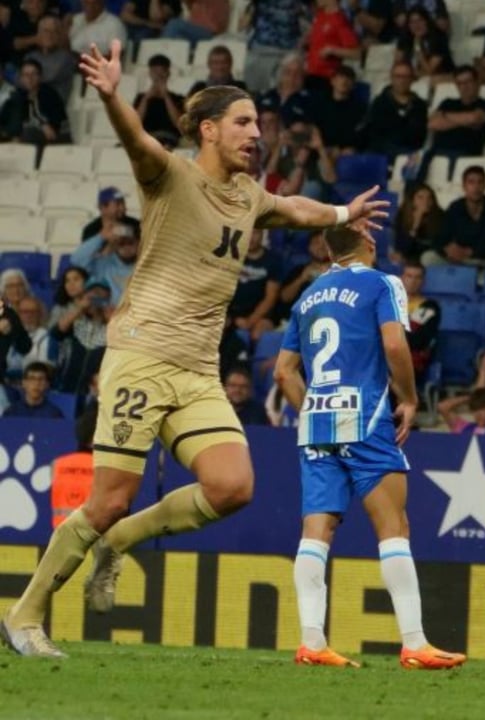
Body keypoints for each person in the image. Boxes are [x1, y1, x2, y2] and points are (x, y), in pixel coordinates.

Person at [0, 39, 389, 659]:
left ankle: (119, 540)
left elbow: (292, 207)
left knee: (233, 485)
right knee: (106, 498)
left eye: (258, 124)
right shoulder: (172, 175)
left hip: (198, 370)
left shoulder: (247, 195)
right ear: (208, 130)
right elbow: (139, 143)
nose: (255, 134)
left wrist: (343, 210)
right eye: (242, 123)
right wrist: (109, 94)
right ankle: (25, 614)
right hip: (141, 357)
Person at [273, 223, 465, 670]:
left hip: (318, 421)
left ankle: (311, 642)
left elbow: (284, 372)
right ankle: (414, 643)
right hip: (364, 416)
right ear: (370, 244)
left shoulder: (309, 295)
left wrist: (311, 411)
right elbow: (395, 342)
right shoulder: (383, 283)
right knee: (393, 527)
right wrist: (411, 399)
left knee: (315, 535)